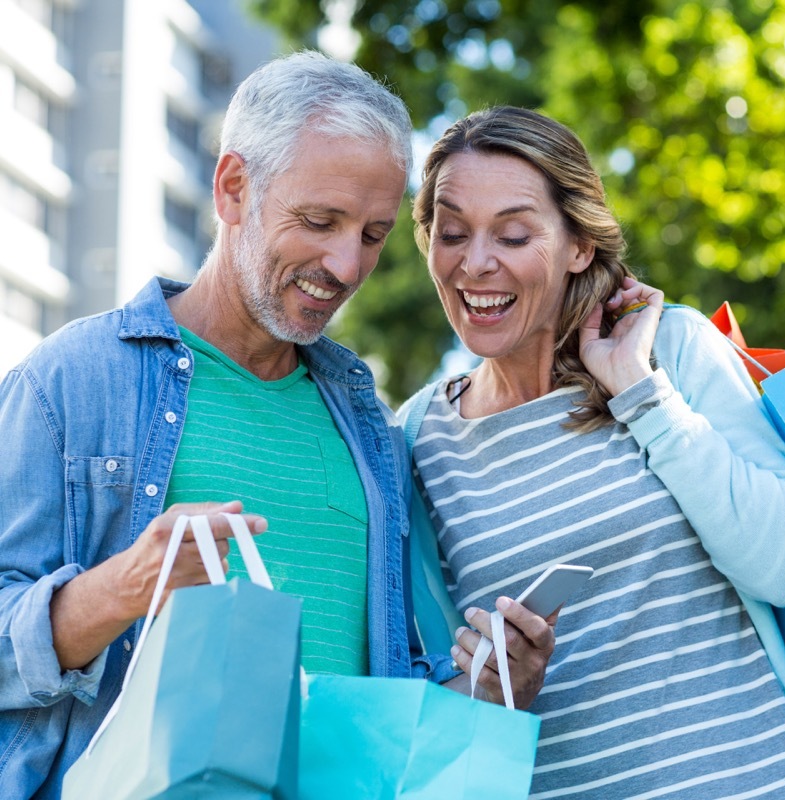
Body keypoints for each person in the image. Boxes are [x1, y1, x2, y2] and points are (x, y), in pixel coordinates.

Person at [0, 52, 553, 798]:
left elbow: (379, 695)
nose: (347, 265)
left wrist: (485, 687)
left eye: (373, 233)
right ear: (234, 188)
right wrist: (123, 588)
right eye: (320, 221)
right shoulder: (73, 380)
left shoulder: (366, 421)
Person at [397, 105, 785, 799]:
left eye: (512, 234)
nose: (476, 263)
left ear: (578, 245)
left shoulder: (671, 351)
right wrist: (490, 679)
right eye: (452, 234)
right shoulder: (416, 438)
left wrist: (639, 392)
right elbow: (428, 694)